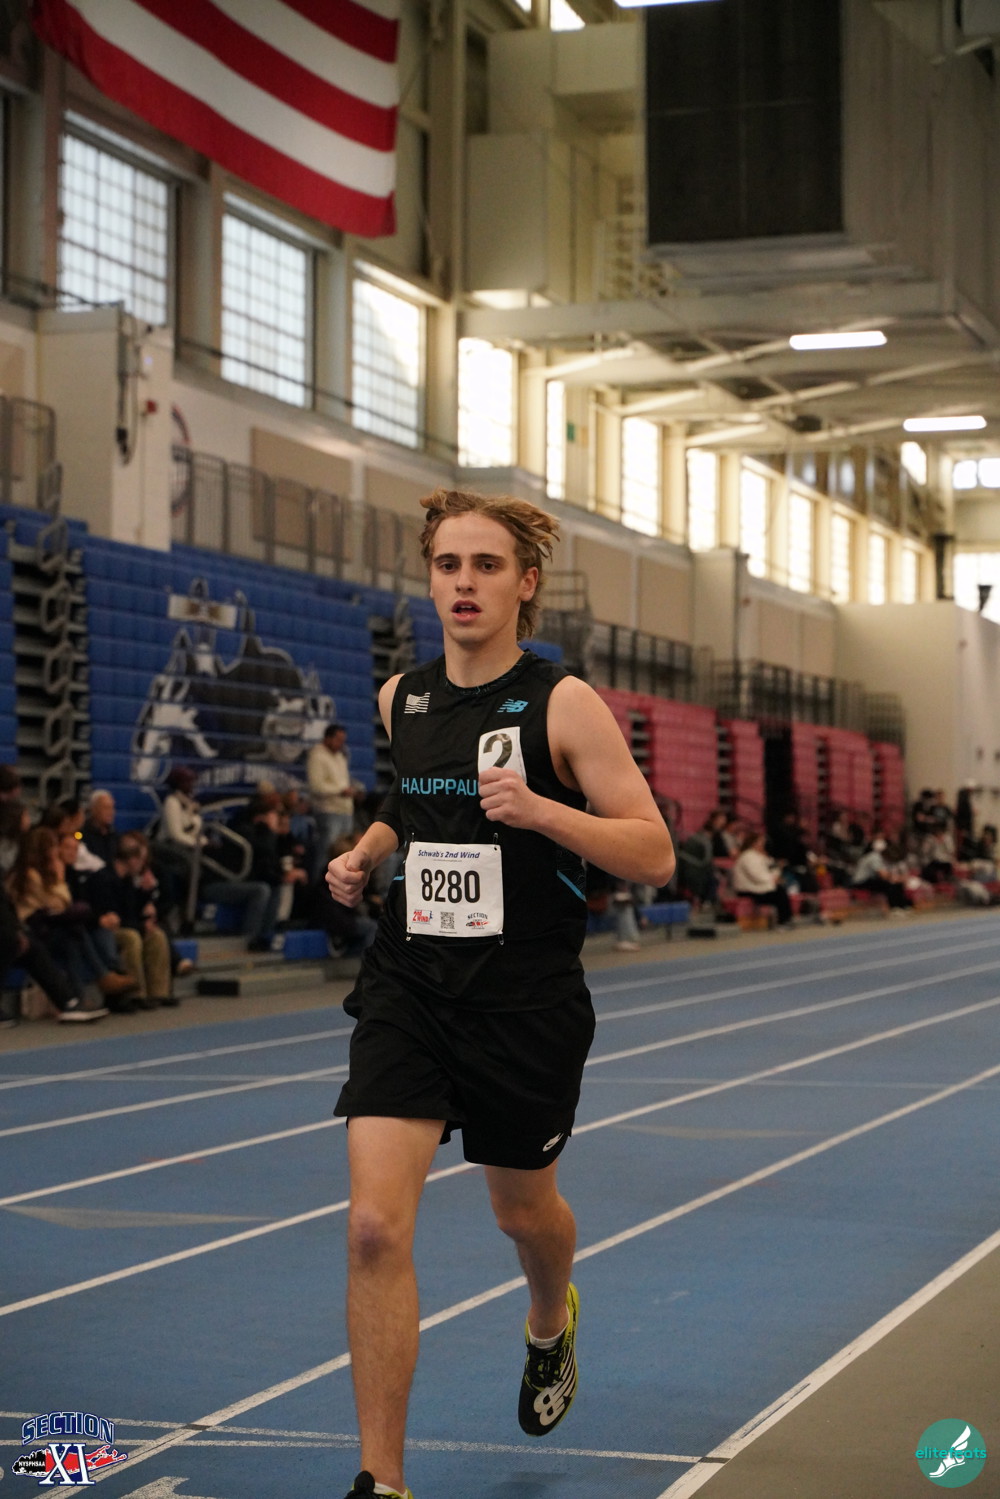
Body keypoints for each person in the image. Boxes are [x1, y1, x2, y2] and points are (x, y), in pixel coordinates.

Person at [325, 487, 675, 1499]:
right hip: (409, 984)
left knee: (523, 1212)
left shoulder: (563, 703)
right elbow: (415, 796)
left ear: (526, 583)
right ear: (429, 579)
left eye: (486, 565)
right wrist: (369, 848)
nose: (464, 582)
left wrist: (542, 812)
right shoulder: (402, 697)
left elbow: (653, 852)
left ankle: (551, 1316)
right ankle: (382, 1479)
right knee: (372, 1225)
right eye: (448, 564)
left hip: (523, 1002)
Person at [6, 827, 135, 1009]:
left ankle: (81, 995)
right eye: (53, 847)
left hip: (46, 928)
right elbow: (59, 904)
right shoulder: (30, 876)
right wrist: (59, 878)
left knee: (74, 935)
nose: (57, 851)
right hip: (31, 931)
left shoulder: (45, 874)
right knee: (74, 933)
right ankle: (98, 980)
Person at [84, 832, 176, 1008]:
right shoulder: (103, 879)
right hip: (104, 929)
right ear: (132, 860)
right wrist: (141, 925)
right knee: (131, 937)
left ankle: (159, 991)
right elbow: (114, 916)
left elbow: (132, 911)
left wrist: (145, 893)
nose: (142, 866)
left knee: (157, 936)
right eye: (140, 861)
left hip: (125, 924)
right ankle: (135, 993)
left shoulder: (127, 881)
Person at [307, 723, 357, 881]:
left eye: (343, 740)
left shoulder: (340, 757)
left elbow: (343, 782)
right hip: (328, 811)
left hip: (345, 811)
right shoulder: (317, 756)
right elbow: (316, 786)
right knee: (327, 853)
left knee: (345, 854)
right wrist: (341, 791)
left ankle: (339, 885)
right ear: (327, 738)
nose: (341, 743)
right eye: (338, 740)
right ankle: (320, 887)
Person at [732, 830, 793, 926]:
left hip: (759, 886)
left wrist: (775, 875)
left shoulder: (760, 856)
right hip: (748, 889)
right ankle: (783, 921)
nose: (763, 845)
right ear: (754, 843)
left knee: (781, 889)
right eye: (761, 842)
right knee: (779, 893)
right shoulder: (748, 856)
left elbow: (772, 868)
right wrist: (772, 879)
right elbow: (756, 875)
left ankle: (786, 920)